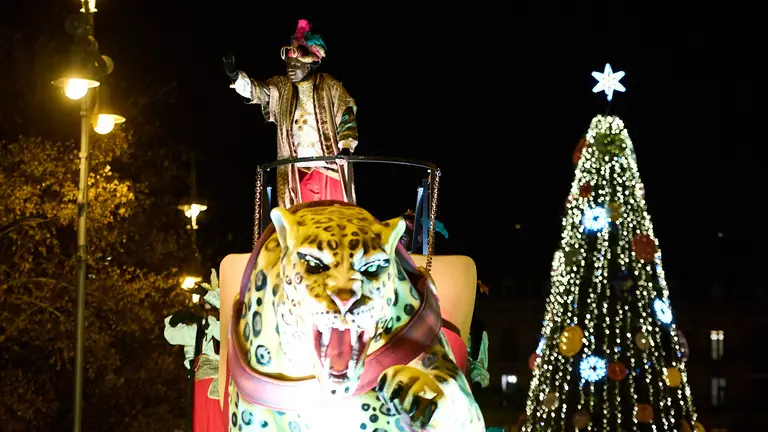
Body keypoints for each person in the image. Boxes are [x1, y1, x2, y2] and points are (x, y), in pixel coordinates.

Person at [224, 19, 359, 208]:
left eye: (295, 65)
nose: (290, 69)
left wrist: (345, 147)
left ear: (308, 65)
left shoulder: (330, 86)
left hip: (329, 169)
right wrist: (236, 78)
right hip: (297, 171)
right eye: (288, 64)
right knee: (300, 223)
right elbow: (258, 92)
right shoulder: (282, 88)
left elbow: (346, 115)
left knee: (333, 220)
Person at [164, 285, 223, 432]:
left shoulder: (230, 328)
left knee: (217, 423)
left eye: (213, 307)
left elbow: (220, 330)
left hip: (221, 385)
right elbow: (171, 335)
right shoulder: (198, 329)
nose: (209, 310)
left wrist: (206, 293)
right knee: (200, 424)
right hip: (200, 385)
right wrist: (175, 320)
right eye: (206, 307)